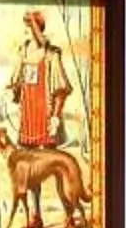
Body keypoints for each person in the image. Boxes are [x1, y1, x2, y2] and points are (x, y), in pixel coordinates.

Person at [6, 9, 76, 151]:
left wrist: (55, 116)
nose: (25, 33)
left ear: (36, 29)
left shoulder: (51, 54)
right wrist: (12, 91)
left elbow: (60, 89)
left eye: (29, 29)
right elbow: (17, 81)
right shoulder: (23, 51)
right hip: (28, 106)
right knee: (28, 148)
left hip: (44, 106)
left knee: (46, 148)